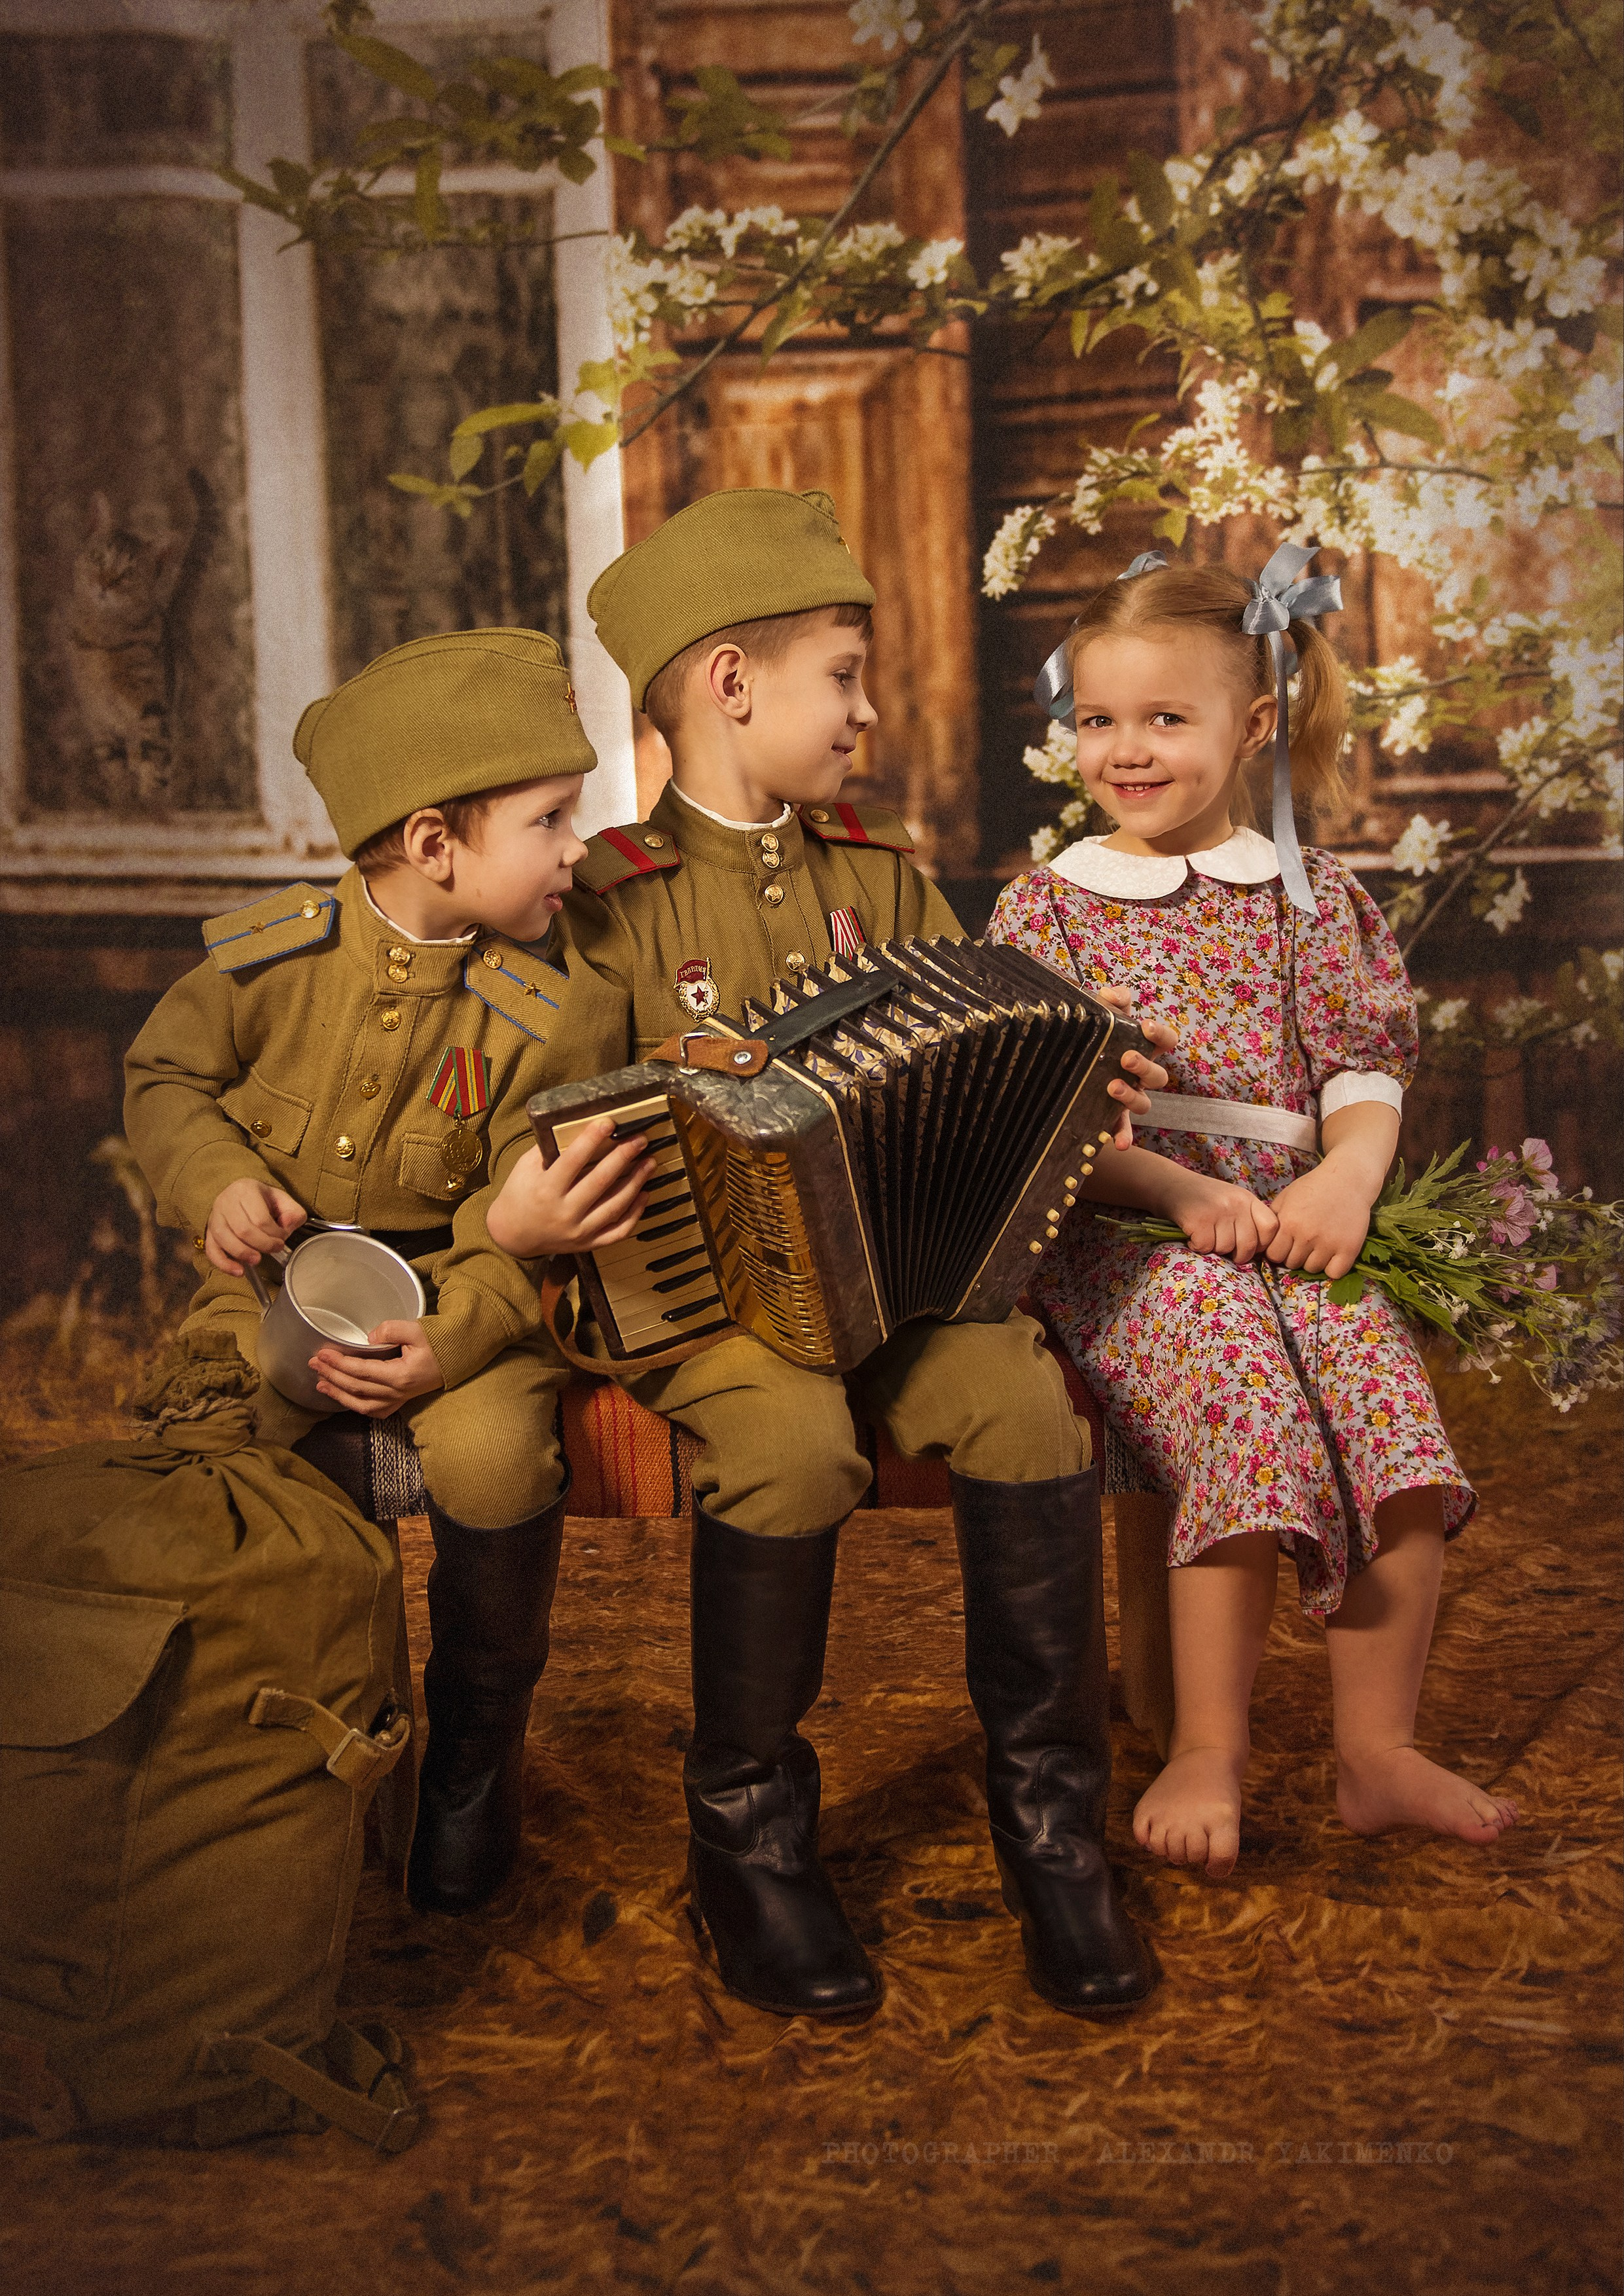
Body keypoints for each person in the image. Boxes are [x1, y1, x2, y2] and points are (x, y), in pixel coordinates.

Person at [487, 487, 1172, 2022]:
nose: (866, 712)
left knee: (1020, 1405)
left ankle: (1050, 1832)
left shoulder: (886, 878)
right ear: (731, 684)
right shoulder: (594, 905)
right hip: (707, 1301)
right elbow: (545, 1130)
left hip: (906, 1286)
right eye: (842, 677)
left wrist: (1076, 1092)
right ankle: (748, 1844)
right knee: (792, 1449)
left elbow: (993, 1081)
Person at [988, 549, 1516, 1884]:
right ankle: (1206, 1742)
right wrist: (1176, 1190)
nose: (1125, 748)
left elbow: (1359, 1066)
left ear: (1252, 725)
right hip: (1130, 1229)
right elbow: (1045, 1121)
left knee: (1377, 1387)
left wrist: (1345, 1178)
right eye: (1098, 719)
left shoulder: (1307, 895)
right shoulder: (1047, 906)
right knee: (1238, 1379)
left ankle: (1373, 1748)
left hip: (1289, 1218)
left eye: (1165, 718)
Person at [124, 629, 653, 1916]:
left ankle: (473, 1759)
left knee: (490, 1456)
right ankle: (313, 1747)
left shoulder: (560, 1002)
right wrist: (219, 1185)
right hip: (277, 1287)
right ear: (432, 845)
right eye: (547, 819)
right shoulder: (269, 958)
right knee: (252, 1437)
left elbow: (525, 1213)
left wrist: (459, 1334)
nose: (575, 848)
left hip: (477, 1286)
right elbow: (165, 1078)